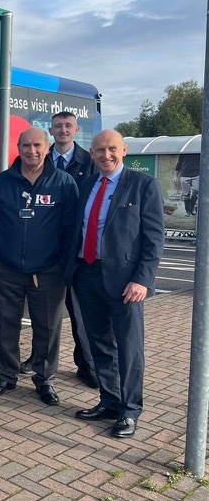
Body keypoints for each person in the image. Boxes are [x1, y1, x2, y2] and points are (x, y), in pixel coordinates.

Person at [67, 130, 164, 438]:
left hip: (126, 283)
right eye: (98, 150)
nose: (105, 155)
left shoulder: (143, 184)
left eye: (111, 149)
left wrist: (142, 279)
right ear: (91, 154)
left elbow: (154, 237)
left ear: (124, 149)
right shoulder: (86, 186)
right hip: (87, 275)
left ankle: (130, 410)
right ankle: (109, 401)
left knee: (130, 348)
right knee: (100, 345)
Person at [0, 127, 78, 406]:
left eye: (37, 145)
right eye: (26, 146)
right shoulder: (2, 182)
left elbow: (72, 229)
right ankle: (7, 376)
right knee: (5, 324)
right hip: (6, 268)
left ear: (47, 148)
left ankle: (44, 380)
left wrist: (62, 264)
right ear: (18, 148)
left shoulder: (64, 183)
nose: (31, 151)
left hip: (48, 272)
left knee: (47, 328)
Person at [21, 111, 99, 389]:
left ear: (76, 130)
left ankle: (86, 364)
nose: (63, 130)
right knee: (42, 313)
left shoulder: (90, 163)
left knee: (77, 311)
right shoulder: (38, 159)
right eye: (58, 126)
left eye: (68, 126)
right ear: (50, 131)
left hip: (75, 251)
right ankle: (36, 358)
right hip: (43, 252)